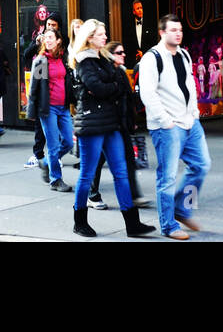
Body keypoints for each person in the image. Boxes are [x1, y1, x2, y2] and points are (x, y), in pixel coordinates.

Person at [68, 20, 156, 238]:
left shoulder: (103, 58)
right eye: (100, 34)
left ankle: (132, 223)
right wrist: (112, 87)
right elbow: (97, 87)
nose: (105, 37)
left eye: (104, 33)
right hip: (92, 125)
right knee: (87, 175)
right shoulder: (84, 60)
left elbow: (113, 83)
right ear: (89, 37)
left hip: (110, 122)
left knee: (121, 173)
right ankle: (79, 221)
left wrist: (109, 87)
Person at [139, 14, 211, 240]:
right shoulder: (152, 58)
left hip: (190, 122)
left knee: (201, 165)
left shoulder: (184, 54)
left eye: (180, 30)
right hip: (168, 126)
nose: (178, 33)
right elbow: (147, 93)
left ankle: (183, 209)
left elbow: (189, 83)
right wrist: (165, 121)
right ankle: (169, 225)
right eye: (173, 30)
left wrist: (195, 113)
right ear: (162, 32)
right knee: (167, 177)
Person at [87, 39, 149, 210]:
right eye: (119, 53)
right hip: (106, 124)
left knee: (129, 159)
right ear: (110, 55)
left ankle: (134, 196)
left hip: (120, 125)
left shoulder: (121, 73)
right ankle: (92, 194)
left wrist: (131, 121)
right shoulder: (105, 73)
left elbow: (127, 99)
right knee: (97, 161)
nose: (123, 55)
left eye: (123, 52)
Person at [27, 27, 75, 191]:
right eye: (45, 38)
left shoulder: (63, 58)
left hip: (63, 107)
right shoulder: (41, 61)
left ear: (58, 41)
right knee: (53, 146)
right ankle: (56, 180)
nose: (47, 40)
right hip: (48, 109)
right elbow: (34, 87)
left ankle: (47, 163)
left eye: (51, 37)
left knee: (68, 142)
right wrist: (31, 111)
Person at [21, 15, 64, 176]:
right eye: (48, 25)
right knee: (43, 127)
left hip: (60, 97)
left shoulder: (60, 47)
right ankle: (44, 160)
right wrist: (36, 43)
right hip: (45, 95)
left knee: (65, 137)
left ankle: (51, 159)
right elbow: (26, 55)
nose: (50, 28)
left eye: (53, 25)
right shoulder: (40, 55)